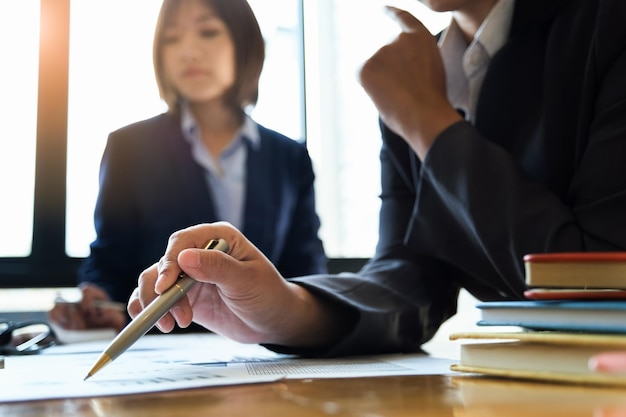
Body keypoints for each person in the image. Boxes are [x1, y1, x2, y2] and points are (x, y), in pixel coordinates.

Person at [129, 0, 626, 356]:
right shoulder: (416, 68)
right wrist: (283, 307)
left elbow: (601, 277)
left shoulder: (606, 24)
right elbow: (410, 280)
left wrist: (430, 123)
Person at [48, 0, 326, 333]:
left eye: (208, 32)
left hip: (267, 347)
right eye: (172, 38)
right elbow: (110, 256)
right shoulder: (130, 147)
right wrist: (98, 299)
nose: (188, 51)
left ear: (245, 43)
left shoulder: (289, 156)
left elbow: (306, 268)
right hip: (164, 344)